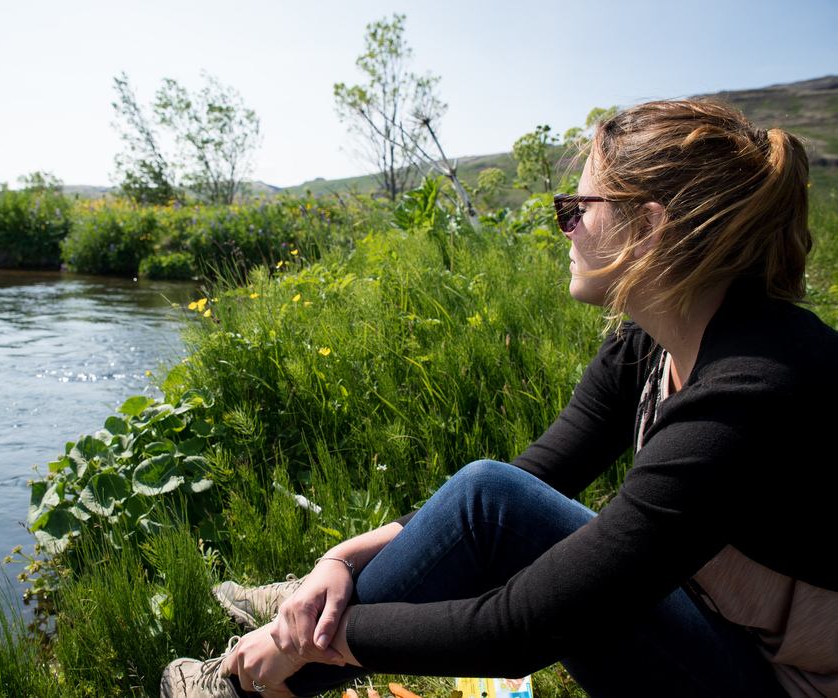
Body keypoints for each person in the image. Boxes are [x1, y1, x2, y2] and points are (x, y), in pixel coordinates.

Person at [161, 99, 838, 698]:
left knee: (492, 512)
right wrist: (342, 559)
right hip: (733, 634)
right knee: (491, 493)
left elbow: (516, 631)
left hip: (786, 682)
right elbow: (522, 486)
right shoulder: (656, 343)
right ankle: (307, 602)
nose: (563, 227)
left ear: (648, 226)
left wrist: (299, 643)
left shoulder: (751, 391)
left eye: (574, 211)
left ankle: (244, 680)